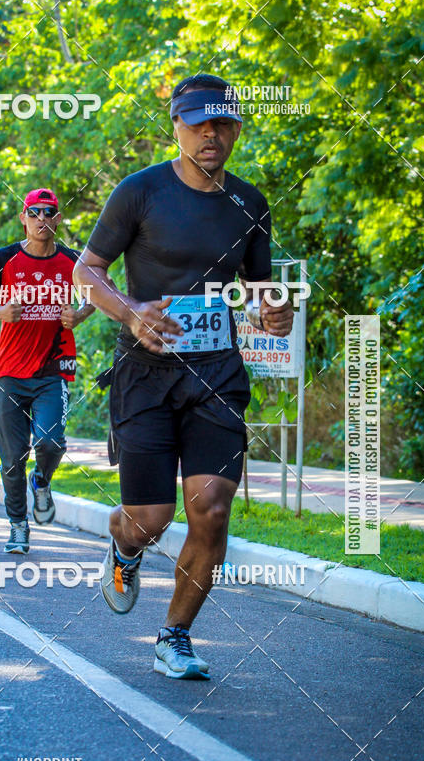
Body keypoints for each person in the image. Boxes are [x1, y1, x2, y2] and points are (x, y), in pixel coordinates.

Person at [74, 74, 293, 679]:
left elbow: (258, 286)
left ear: (237, 129)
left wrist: (274, 310)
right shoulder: (139, 191)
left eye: (222, 124)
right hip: (145, 375)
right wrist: (131, 312)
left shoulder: (250, 202)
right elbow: (87, 272)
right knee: (150, 519)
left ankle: (174, 636)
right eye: (198, 124)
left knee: (212, 509)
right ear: (176, 126)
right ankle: (124, 544)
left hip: (217, 374)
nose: (210, 135)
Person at [0, 188, 94, 553]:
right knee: (11, 460)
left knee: (51, 442)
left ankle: (41, 480)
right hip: (9, 373)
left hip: (52, 370)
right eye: (34, 212)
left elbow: (100, 295)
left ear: (58, 219)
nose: (42, 219)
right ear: (23, 218)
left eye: (48, 212)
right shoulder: (4, 258)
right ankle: (18, 525)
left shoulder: (73, 261)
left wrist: (80, 314)